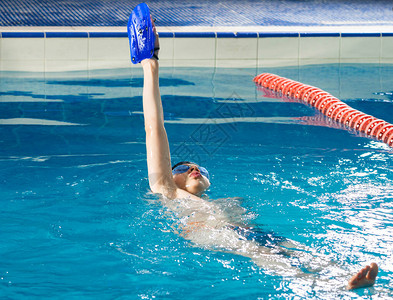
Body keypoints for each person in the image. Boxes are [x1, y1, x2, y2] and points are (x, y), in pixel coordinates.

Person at [137, 13, 378, 291]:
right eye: (182, 168)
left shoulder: (226, 202)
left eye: (199, 169)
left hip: (240, 230)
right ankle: (332, 288)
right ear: (170, 175)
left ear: (209, 181)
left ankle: (360, 280)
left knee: (296, 249)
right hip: (210, 233)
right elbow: (154, 128)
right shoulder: (166, 190)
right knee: (262, 255)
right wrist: (150, 63)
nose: (193, 168)